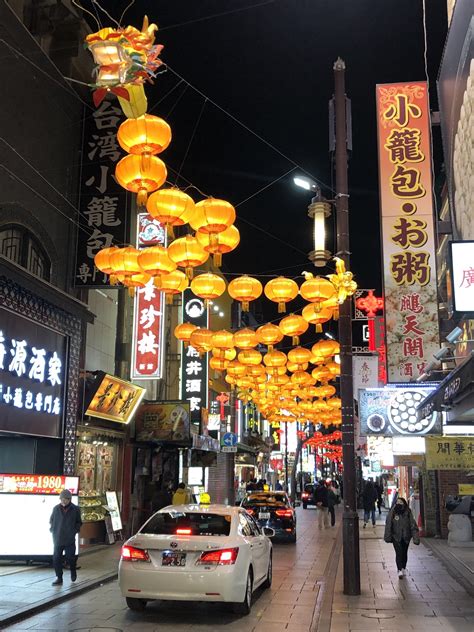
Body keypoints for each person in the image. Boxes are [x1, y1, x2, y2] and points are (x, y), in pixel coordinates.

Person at [49, 489, 82, 586]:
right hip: (58, 537)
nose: (63, 501)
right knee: (56, 558)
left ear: (69, 499)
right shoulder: (56, 509)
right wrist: (52, 530)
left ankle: (73, 570)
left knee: (71, 558)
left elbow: (79, 522)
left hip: (69, 538)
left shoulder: (75, 509)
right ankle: (59, 577)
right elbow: (51, 520)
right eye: (62, 499)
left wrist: (74, 531)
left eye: (66, 499)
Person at [384, 497, 420, 578]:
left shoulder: (408, 512)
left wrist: (415, 537)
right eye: (398, 502)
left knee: (404, 553)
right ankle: (399, 569)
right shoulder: (393, 512)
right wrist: (388, 536)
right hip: (396, 536)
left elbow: (412, 524)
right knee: (398, 553)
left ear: (404, 503)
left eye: (401, 502)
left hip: (406, 536)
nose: (399, 504)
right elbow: (388, 524)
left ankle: (403, 567)